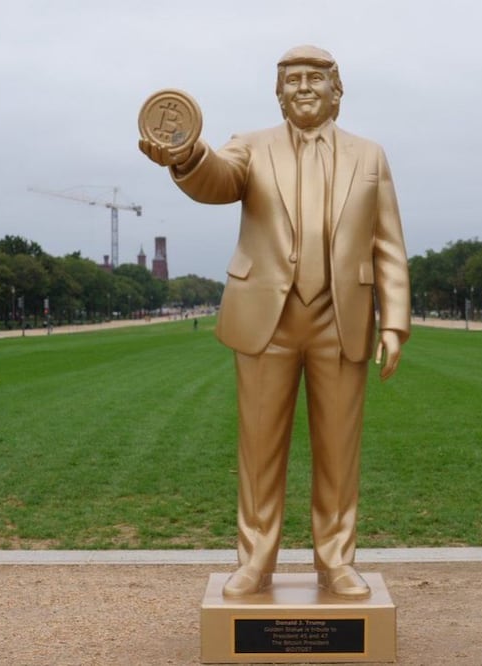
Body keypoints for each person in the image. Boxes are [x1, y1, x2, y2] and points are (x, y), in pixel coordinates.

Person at [139, 45, 410, 599]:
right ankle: (254, 562)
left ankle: (336, 561)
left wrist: (395, 321)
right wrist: (186, 155)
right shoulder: (250, 147)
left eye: (315, 78)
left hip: (343, 318)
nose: (303, 87)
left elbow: (388, 244)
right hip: (267, 320)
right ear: (277, 92)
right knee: (259, 452)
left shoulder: (371, 156)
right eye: (291, 79)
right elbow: (216, 178)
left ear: (338, 89)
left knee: (339, 453)